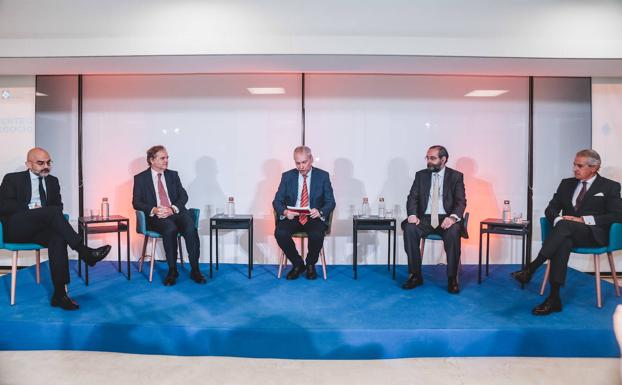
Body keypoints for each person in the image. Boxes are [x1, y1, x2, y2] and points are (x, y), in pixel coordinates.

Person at [512, 149, 622, 315]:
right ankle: (554, 298)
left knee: (564, 228)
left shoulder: (610, 186)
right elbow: (551, 209)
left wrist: (585, 220)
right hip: (566, 234)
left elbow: (617, 215)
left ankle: (532, 268)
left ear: (594, 167)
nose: (575, 169)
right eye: (574, 164)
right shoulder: (566, 184)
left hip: (592, 235)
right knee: (563, 239)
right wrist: (558, 220)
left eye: (580, 165)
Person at [0, 147, 111, 310]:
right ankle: (84, 252)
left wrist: (43, 213)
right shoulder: (12, 179)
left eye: (48, 162)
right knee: (51, 211)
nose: (46, 166)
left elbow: (58, 206)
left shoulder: (53, 181)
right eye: (40, 163)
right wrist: (33, 208)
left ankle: (60, 294)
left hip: (39, 229)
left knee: (58, 238)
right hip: (17, 229)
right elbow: (4, 205)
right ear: (28, 164)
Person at [132, 145, 206, 286]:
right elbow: (136, 202)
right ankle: (172, 270)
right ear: (152, 160)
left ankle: (195, 270)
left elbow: (183, 196)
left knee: (190, 227)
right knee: (170, 229)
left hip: (175, 212)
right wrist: (154, 209)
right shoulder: (140, 178)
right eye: (162, 158)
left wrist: (172, 208)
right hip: (157, 216)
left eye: (167, 157)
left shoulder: (173, 175)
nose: (166, 160)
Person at [401, 145, 467, 294]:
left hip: (446, 218)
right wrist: (412, 215)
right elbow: (412, 198)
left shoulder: (456, 176)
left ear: (443, 160)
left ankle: (452, 278)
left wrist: (452, 218)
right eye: (427, 158)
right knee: (410, 229)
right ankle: (415, 275)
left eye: (433, 158)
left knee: (453, 231)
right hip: (424, 219)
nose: (429, 161)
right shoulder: (421, 175)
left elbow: (461, 202)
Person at [273, 146, 336, 280]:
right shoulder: (287, 176)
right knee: (280, 233)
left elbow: (331, 202)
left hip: (313, 217)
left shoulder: (323, 176)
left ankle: (310, 264)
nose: (301, 166)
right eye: (297, 163)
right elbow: (277, 201)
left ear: (311, 159)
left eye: (304, 162)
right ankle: (297, 264)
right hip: (293, 216)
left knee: (316, 234)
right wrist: (285, 211)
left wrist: (320, 212)